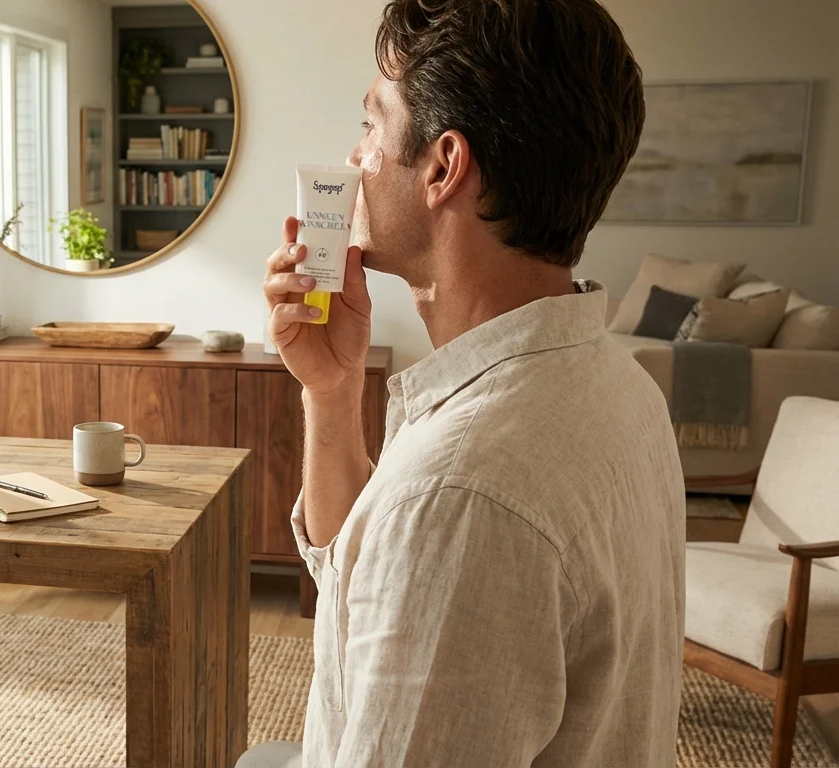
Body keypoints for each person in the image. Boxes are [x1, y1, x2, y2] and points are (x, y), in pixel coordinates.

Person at [242, 0, 686, 765]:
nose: (353, 159)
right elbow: (362, 585)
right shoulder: (620, 385)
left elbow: (433, 529)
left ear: (444, 166)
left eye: (372, 125)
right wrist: (332, 391)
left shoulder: (463, 491)